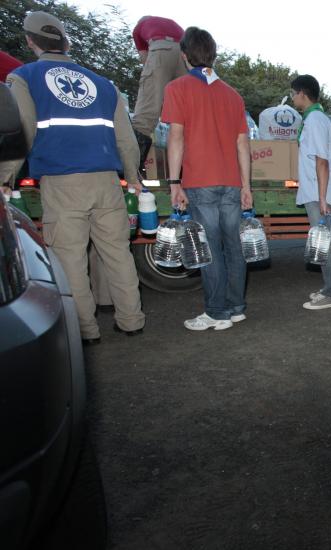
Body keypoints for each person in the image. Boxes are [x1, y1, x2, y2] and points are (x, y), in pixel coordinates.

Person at [3, 11, 145, 343]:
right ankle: (132, 320)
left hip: (63, 184)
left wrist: (5, 176)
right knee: (118, 253)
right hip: (108, 182)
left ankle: (85, 331)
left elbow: (21, 129)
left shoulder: (24, 78)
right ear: (66, 41)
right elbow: (126, 138)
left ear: (29, 40)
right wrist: (133, 178)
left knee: (70, 259)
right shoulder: (103, 84)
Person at [161, 27, 251, 331]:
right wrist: (246, 186)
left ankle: (216, 313)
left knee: (209, 248)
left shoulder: (177, 88)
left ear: (185, 55)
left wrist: (175, 183)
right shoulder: (233, 94)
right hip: (232, 183)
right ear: (212, 54)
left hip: (200, 182)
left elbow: (176, 136)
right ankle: (236, 307)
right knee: (233, 247)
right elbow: (243, 144)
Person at [291, 74, 331, 310]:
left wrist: (323, 198)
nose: (292, 98)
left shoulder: (315, 120)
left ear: (302, 93)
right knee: (323, 241)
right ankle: (328, 287)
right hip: (316, 190)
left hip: (318, 192)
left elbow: (322, 161)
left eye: (293, 93)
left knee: (326, 242)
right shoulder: (315, 119)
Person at [131, 15, 185, 173]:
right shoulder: (174, 23)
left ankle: (133, 169)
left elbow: (145, 59)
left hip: (160, 49)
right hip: (186, 55)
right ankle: (189, 169)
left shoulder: (138, 29)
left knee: (146, 111)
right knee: (187, 116)